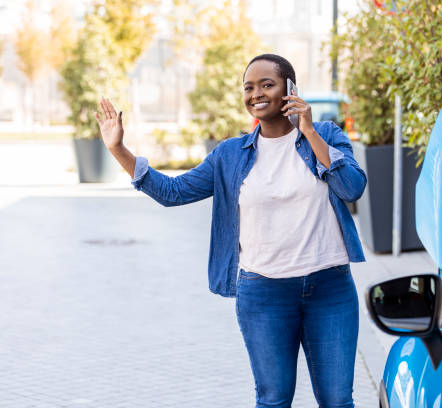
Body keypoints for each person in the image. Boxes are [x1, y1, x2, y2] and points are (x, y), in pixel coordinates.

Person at [95, 54, 367, 408]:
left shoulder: (326, 135)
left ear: (291, 89)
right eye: (249, 87)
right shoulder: (229, 155)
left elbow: (352, 188)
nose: (256, 93)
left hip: (330, 288)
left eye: (267, 84)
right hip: (264, 293)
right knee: (273, 400)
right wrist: (118, 149)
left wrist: (310, 131)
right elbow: (172, 192)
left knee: (337, 401)